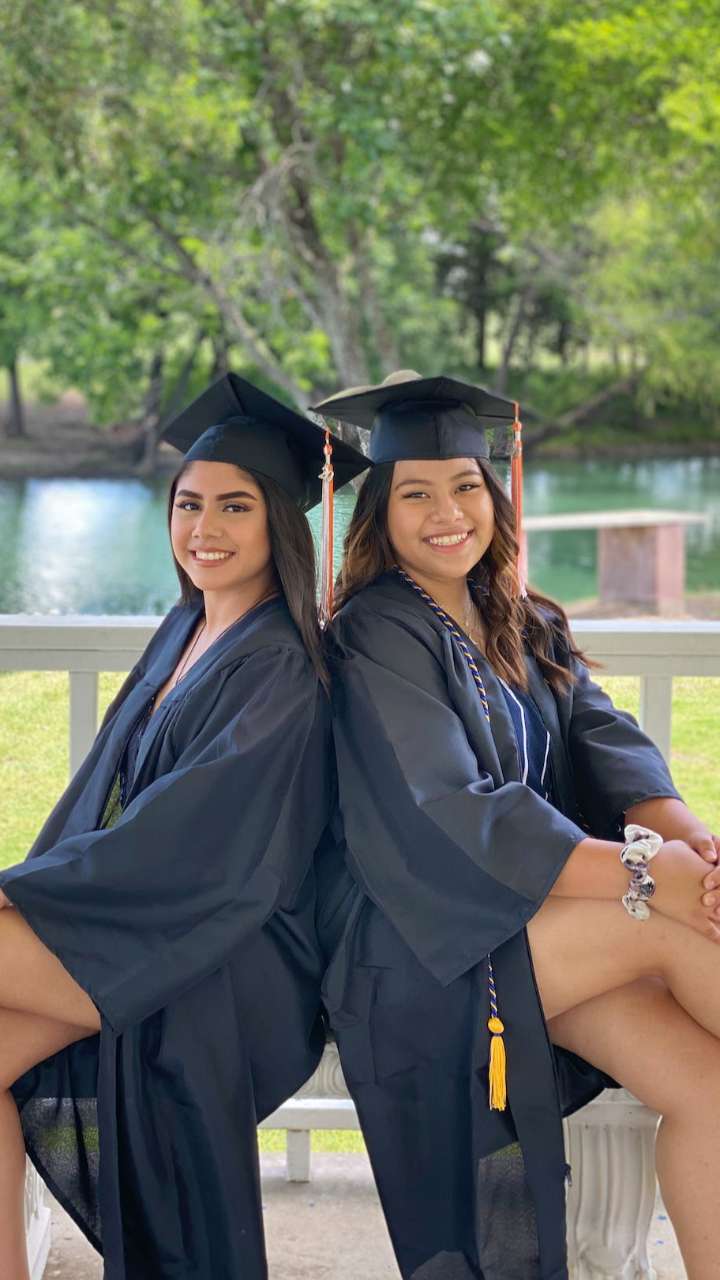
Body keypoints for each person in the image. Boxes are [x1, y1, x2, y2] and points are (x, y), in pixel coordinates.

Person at [313, 370, 720, 1280]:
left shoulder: (521, 617)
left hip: (541, 929)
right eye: (416, 493)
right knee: (673, 925)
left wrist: (696, 848)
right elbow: (453, 808)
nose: (447, 512)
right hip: (427, 943)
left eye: (465, 485)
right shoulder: (376, 631)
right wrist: (651, 875)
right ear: (379, 513)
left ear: (494, 496)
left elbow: (611, 747)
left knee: (710, 1091)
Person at [0, 372, 367, 1280]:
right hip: (149, 921)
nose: (204, 527)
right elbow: (108, 799)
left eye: (235, 506)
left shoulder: (280, 664)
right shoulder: (188, 629)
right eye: (189, 503)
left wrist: (22, 895)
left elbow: (194, 842)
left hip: (224, 956)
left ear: (280, 523)